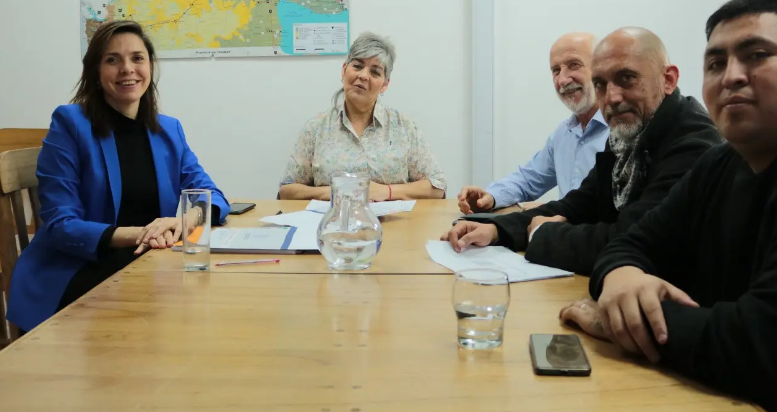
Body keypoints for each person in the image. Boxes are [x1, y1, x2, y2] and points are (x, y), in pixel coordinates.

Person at [560, 0, 777, 411]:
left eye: (757, 55)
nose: (731, 76)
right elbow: (632, 242)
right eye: (716, 63)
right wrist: (621, 275)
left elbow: (771, 348)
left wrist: (622, 318)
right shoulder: (725, 159)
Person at [6, 20, 230, 332]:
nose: (128, 69)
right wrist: (144, 234)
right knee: (185, 305)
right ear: (95, 72)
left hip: (144, 265)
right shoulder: (70, 124)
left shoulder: (168, 130)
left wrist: (181, 223)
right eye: (113, 60)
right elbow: (61, 226)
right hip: (77, 269)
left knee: (210, 295)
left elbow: (212, 197)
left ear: (150, 67)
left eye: (137, 58)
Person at [442, 27, 721, 276]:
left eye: (627, 78)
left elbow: (637, 240)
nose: (611, 97)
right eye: (600, 84)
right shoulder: (628, 133)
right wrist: (496, 230)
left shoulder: (692, 142)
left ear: (668, 79)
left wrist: (542, 234)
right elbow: (579, 204)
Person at [278, 32, 446, 201]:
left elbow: (437, 186)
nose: (364, 76)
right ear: (344, 71)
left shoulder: (404, 127)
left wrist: (386, 192)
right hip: (334, 223)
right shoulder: (315, 127)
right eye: (357, 66)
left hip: (395, 224)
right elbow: (287, 190)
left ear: (385, 84)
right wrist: (333, 192)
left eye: (375, 72)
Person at [457, 32, 609, 214]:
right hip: (564, 237)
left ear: (601, 69)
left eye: (574, 65)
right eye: (556, 71)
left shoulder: (624, 132)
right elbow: (529, 179)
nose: (562, 80)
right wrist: (490, 197)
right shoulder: (564, 133)